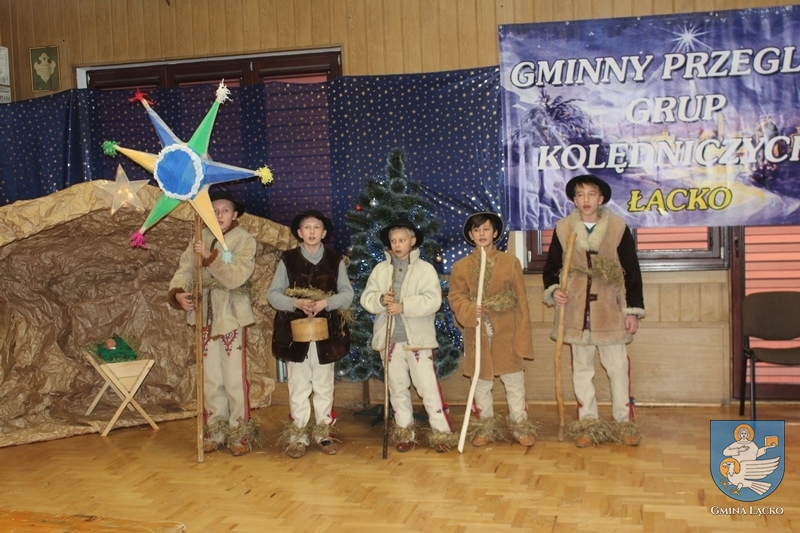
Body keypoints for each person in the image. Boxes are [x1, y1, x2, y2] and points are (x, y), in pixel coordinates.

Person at [542, 174, 645, 448]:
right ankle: (588, 423)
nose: (585, 199)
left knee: (617, 368)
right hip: (576, 311)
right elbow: (552, 267)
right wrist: (555, 289)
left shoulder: (617, 228)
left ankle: (624, 422)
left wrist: (631, 311)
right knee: (581, 369)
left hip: (610, 310)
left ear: (600, 199)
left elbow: (632, 271)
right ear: (574, 200)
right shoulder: (564, 228)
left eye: (591, 194)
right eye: (580, 195)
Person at [168, 188, 259, 456]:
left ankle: (239, 432)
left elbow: (236, 277)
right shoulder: (200, 236)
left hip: (231, 315)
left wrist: (209, 257)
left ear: (235, 214)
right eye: (214, 210)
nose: (219, 215)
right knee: (211, 378)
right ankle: (216, 430)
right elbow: (186, 268)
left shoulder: (244, 240)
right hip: (205, 315)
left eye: (225, 210)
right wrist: (178, 292)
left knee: (233, 379)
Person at [361, 217, 457, 453]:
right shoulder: (381, 270)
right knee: (397, 387)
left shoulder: (425, 269)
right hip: (390, 340)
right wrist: (380, 300)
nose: (397, 245)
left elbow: (433, 300)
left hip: (417, 340)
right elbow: (366, 298)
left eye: (402, 240)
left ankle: (441, 433)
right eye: (393, 241)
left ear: (413, 241)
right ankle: (404, 432)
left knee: (427, 387)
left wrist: (404, 306)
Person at [267, 210, 353, 459]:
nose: (312, 232)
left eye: (317, 228)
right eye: (307, 227)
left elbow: (347, 294)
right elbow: (273, 294)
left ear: (324, 233)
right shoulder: (288, 259)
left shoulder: (336, 260)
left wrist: (326, 303)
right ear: (299, 232)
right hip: (295, 334)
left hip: (327, 334)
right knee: (298, 383)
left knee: (324, 383)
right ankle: (298, 434)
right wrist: (295, 303)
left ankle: (323, 432)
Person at [449, 212, 538, 448]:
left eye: (486, 229)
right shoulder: (461, 267)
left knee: (514, 381)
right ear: (471, 235)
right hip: (477, 333)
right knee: (481, 383)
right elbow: (456, 297)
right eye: (476, 230)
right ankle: (485, 427)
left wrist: (522, 335)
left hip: (507, 332)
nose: (481, 234)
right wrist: (470, 309)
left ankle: (519, 426)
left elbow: (521, 300)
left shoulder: (510, 263)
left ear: (495, 233)